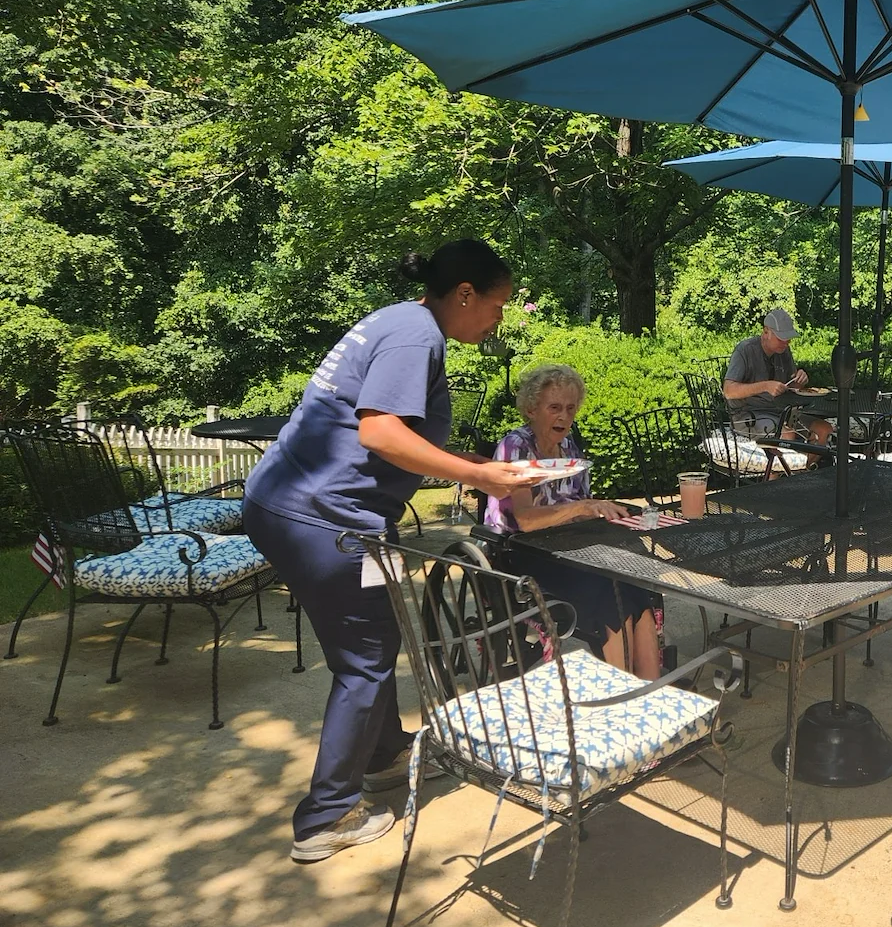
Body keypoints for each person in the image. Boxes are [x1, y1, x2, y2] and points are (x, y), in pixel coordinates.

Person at [244, 239, 534, 864]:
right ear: (464, 295)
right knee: (367, 657)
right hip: (323, 518)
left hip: (302, 506)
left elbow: (377, 436)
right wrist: (483, 480)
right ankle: (327, 816)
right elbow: (379, 431)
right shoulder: (416, 336)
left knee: (375, 637)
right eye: (497, 304)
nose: (498, 318)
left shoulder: (400, 320)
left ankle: (382, 755)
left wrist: (470, 465)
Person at [486, 364, 662, 680]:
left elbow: (578, 507)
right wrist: (580, 507)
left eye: (570, 408)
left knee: (635, 588)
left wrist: (598, 510)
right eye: (554, 408)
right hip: (521, 553)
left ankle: (650, 691)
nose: (564, 417)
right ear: (531, 409)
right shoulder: (516, 447)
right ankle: (621, 697)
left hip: (568, 547)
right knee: (609, 594)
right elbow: (525, 520)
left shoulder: (569, 448)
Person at [723, 307, 831, 443]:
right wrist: (765, 386)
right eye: (781, 338)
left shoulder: (784, 351)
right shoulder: (745, 350)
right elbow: (728, 391)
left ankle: (807, 465)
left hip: (782, 412)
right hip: (749, 415)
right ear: (766, 332)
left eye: (788, 338)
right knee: (787, 434)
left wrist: (799, 379)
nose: (786, 343)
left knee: (823, 429)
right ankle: (789, 464)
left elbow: (791, 387)